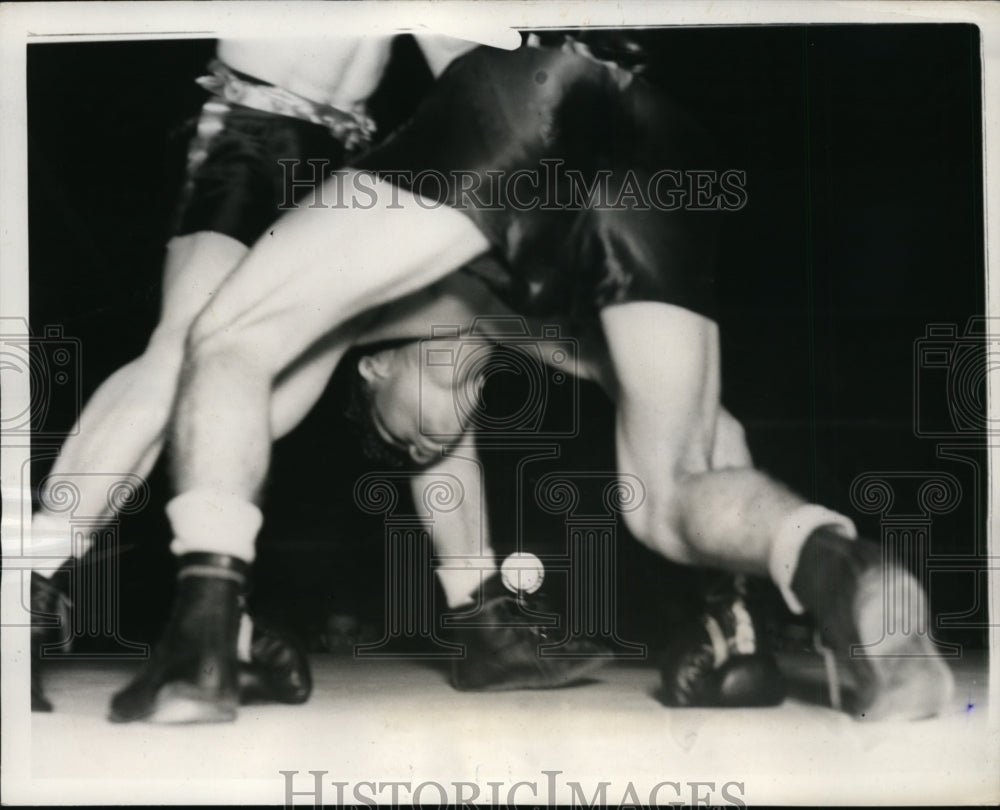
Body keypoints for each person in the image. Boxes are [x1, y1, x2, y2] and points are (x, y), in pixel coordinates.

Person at [111, 32, 953, 724]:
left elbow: (236, 376)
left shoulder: (376, 300)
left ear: (375, 373)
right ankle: (835, 562)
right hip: (650, 127)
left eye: (402, 433)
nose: (429, 439)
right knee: (668, 492)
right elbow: (703, 420)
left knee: (221, 335)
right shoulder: (516, 323)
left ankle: (198, 645)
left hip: (528, 92)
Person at [28, 32, 483, 711]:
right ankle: (29, 578)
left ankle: (229, 620)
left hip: (352, 156)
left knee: (261, 397)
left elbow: (464, 68)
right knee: (186, 350)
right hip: (255, 124)